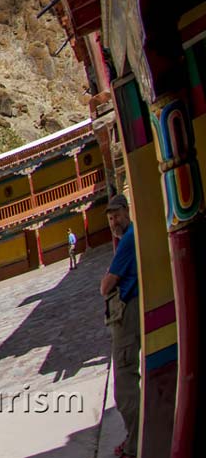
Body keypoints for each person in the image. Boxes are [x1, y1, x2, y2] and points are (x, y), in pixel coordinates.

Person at [100, 195, 138, 458]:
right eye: (110, 218)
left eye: (117, 216)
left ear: (127, 211)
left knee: (124, 388)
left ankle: (136, 444)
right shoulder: (132, 236)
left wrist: (106, 280)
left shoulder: (127, 241)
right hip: (131, 309)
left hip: (126, 314)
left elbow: (105, 286)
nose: (114, 222)